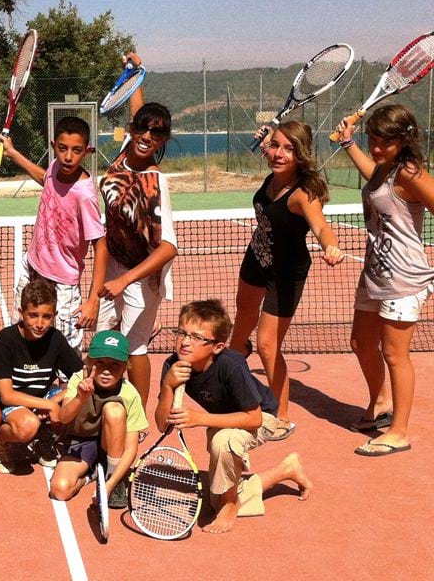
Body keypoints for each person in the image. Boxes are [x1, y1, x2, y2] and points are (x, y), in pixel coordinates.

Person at [156, 300, 311, 534]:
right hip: (225, 419)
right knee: (212, 502)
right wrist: (168, 386)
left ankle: (231, 503)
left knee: (223, 442)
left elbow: (254, 419)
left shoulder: (231, 366)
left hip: (263, 416)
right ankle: (285, 470)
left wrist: (200, 419)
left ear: (217, 347)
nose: (185, 342)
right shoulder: (173, 365)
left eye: (197, 337)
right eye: (182, 333)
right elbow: (162, 425)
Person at [229, 121, 343, 441]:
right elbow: (269, 146)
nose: (279, 153)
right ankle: (230, 381)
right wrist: (267, 135)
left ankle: (281, 415)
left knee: (267, 344)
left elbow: (321, 226)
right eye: (275, 146)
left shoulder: (303, 193)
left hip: (285, 273)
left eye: (288, 149)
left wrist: (330, 245)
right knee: (241, 325)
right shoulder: (273, 172)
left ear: (300, 155)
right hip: (256, 259)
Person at [335, 104, 434, 457]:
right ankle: (380, 403)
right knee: (361, 343)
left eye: (385, 141)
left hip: (404, 276)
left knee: (395, 354)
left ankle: (399, 431)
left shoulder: (409, 172)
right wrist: (349, 143)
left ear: (404, 140)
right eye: (373, 138)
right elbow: (372, 174)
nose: (377, 147)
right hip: (375, 273)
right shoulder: (386, 169)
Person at [96, 52, 178, 411]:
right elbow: (140, 114)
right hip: (114, 264)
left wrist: (126, 280)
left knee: (134, 347)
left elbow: (168, 248)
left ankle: (137, 416)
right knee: (103, 341)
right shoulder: (125, 154)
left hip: (142, 277)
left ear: (164, 139)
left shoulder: (154, 182)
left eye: (157, 132)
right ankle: (101, 405)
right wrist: (134, 76)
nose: (147, 135)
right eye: (142, 128)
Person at [0, 116, 107, 354]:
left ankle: (67, 390)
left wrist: (92, 301)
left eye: (76, 150)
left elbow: (101, 245)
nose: (68, 156)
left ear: (86, 151)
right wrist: (12, 153)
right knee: (22, 332)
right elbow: (45, 178)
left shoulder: (85, 194)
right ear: (53, 145)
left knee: (67, 351)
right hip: (32, 267)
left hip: (63, 281)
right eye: (63, 148)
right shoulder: (55, 167)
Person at [0, 279, 83, 474]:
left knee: (79, 398)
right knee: (27, 426)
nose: (40, 324)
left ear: (54, 316)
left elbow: (80, 376)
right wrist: (49, 405)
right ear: (21, 313)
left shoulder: (55, 339)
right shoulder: (5, 341)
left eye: (46, 317)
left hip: (43, 396)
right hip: (12, 403)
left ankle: (43, 437)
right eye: (33, 315)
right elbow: (6, 395)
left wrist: (56, 400)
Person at [48, 330, 146, 509]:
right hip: (81, 441)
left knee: (114, 410)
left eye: (115, 364)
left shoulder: (130, 394)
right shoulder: (79, 379)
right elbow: (63, 417)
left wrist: (108, 486)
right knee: (59, 490)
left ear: (125, 367)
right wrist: (81, 397)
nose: (107, 371)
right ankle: (91, 474)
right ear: (89, 362)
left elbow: (131, 448)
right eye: (100, 363)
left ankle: (113, 477)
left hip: (113, 445)